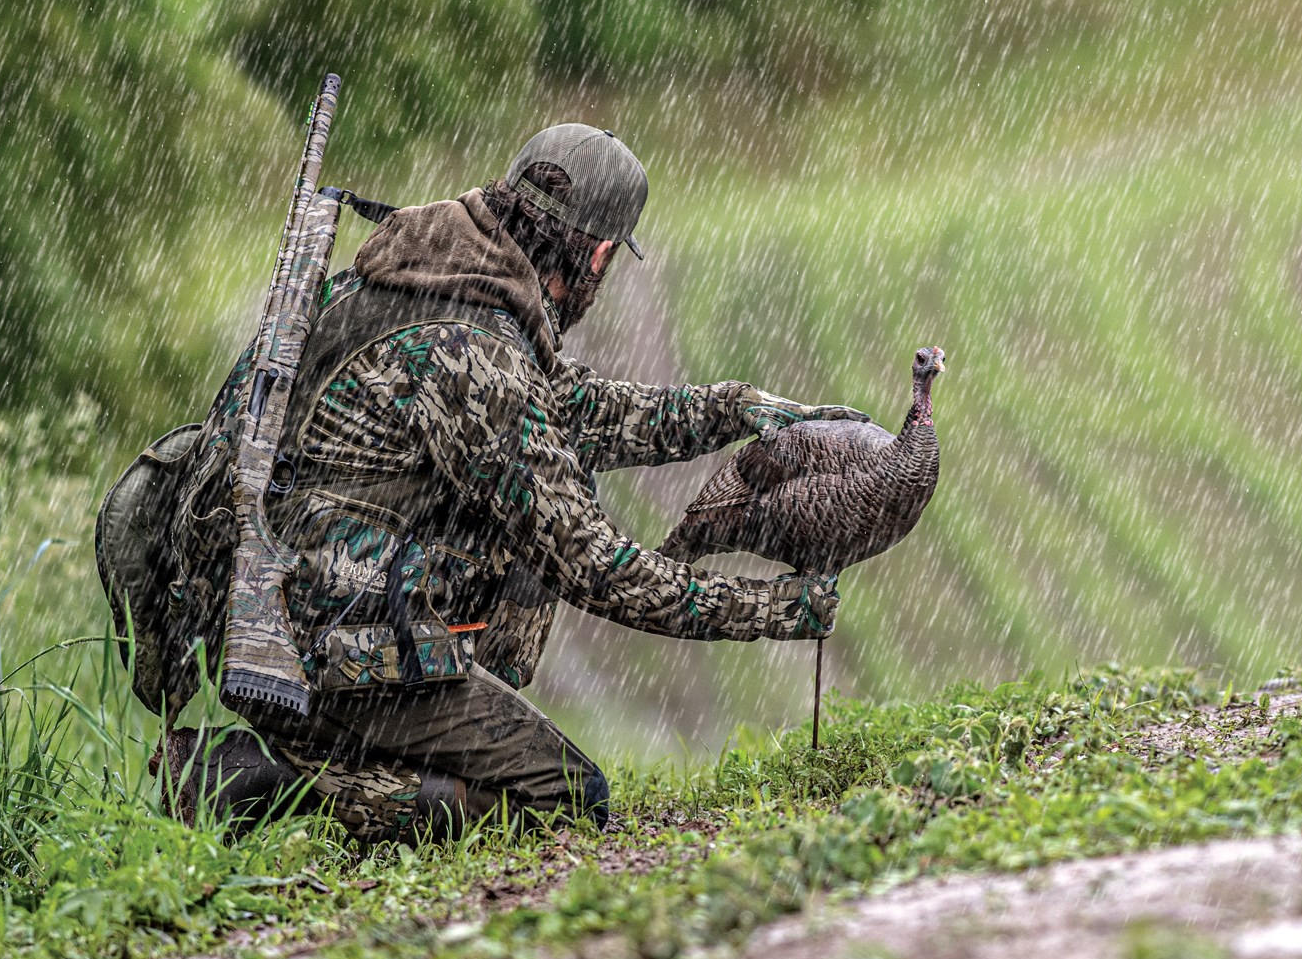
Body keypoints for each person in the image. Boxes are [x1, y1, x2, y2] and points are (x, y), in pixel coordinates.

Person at [153, 124, 868, 841]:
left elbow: (573, 411)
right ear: (596, 254)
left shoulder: (413, 280)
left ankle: (377, 747)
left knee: (544, 486)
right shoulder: (476, 350)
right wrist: (770, 609)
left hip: (250, 618)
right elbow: (592, 563)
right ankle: (250, 777)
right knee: (566, 798)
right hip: (323, 651)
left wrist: (737, 411)